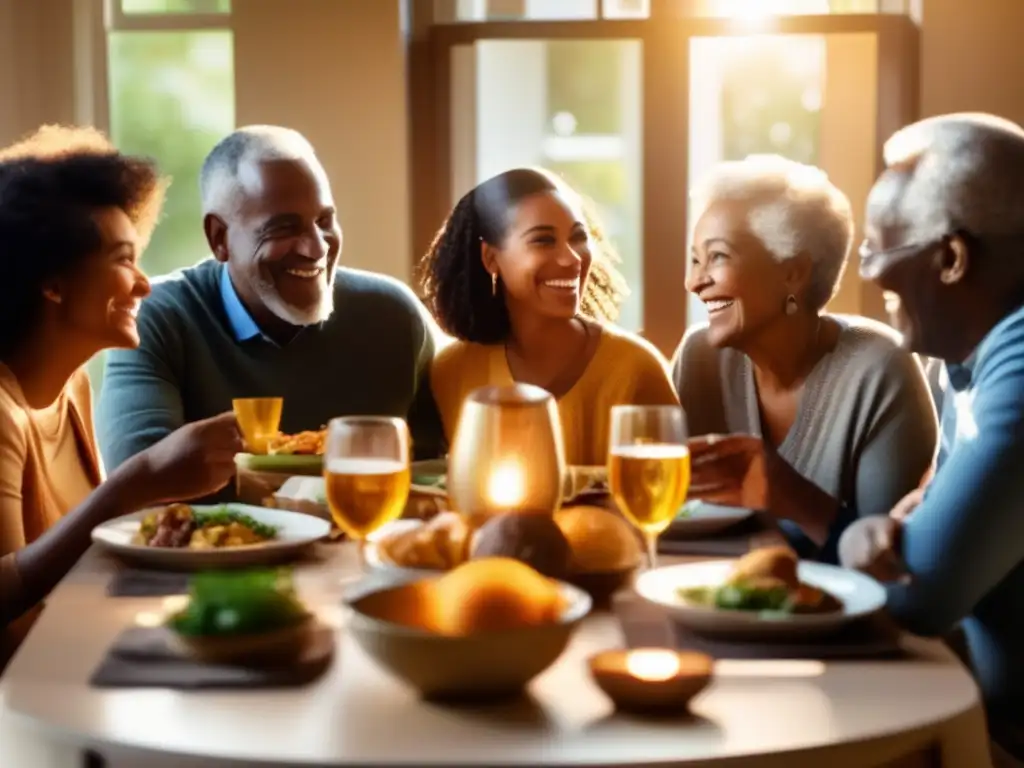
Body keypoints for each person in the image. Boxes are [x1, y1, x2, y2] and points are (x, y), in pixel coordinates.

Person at [0, 126, 243, 668]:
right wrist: (138, 481)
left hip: (77, 656)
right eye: (122, 259)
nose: (144, 284)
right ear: (53, 283)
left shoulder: (72, 386)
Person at [96, 126, 445, 493]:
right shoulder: (158, 320)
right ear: (219, 238)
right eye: (283, 228)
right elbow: (140, 488)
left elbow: (433, 476)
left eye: (324, 221)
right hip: (216, 551)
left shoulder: (394, 316)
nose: (315, 248)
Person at [838, 113, 1024, 764]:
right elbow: (921, 515)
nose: (869, 273)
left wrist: (862, 539)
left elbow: (921, 590)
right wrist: (883, 531)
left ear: (950, 258)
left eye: (880, 248)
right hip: (978, 716)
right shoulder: (964, 350)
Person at [673, 155, 937, 561]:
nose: (694, 282)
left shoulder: (879, 370)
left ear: (792, 273)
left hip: (840, 616)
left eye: (718, 257)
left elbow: (893, 564)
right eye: (695, 259)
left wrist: (786, 491)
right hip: (718, 595)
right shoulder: (699, 358)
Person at [420, 167, 678, 466]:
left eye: (578, 237)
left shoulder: (636, 369)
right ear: (491, 259)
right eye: (543, 240)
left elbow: (676, 498)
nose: (572, 258)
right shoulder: (450, 372)